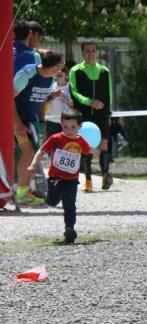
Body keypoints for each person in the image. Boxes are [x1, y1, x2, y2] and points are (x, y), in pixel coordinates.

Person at [26, 109, 92, 243]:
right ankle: (51, 194)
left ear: (79, 126)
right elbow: (41, 151)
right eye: (65, 126)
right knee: (51, 201)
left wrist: (96, 150)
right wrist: (33, 165)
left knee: (70, 204)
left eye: (73, 127)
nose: (69, 130)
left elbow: (90, 151)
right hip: (55, 178)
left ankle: (70, 229)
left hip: (71, 180)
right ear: (61, 125)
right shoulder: (55, 139)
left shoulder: (82, 142)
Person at [13, 49, 64, 206]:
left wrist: (41, 122)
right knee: (27, 152)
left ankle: (24, 191)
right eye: (60, 66)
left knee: (33, 154)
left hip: (30, 120)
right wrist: (17, 124)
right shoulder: (27, 73)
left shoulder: (49, 80)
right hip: (15, 119)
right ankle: (20, 193)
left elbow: (42, 100)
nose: (61, 70)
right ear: (54, 66)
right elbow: (7, 97)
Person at [70, 41, 114, 191]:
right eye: (87, 51)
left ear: (97, 53)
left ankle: (105, 176)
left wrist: (108, 112)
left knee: (104, 146)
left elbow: (109, 94)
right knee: (86, 146)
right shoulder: (75, 71)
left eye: (93, 51)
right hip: (84, 113)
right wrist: (89, 102)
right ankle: (88, 180)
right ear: (83, 53)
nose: (90, 54)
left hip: (101, 114)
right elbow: (74, 92)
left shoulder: (104, 71)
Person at [45, 65, 72, 138]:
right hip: (50, 122)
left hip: (66, 123)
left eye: (62, 70)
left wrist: (65, 99)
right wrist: (51, 97)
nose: (59, 72)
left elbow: (75, 105)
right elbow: (43, 102)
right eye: (57, 70)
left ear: (66, 74)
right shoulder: (50, 86)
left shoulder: (70, 87)